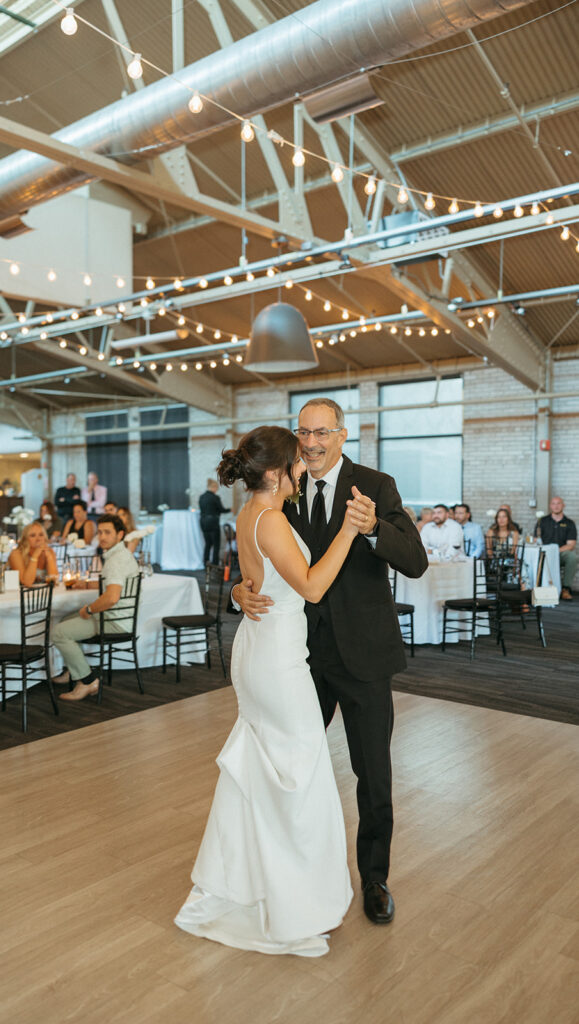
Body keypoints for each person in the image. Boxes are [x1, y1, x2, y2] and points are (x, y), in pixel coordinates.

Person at [229, 399, 427, 928]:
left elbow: (416, 561)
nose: (311, 443)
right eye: (303, 432)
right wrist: (235, 592)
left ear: (342, 435)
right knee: (289, 771)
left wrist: (371, 529)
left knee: (373, 775)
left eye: (322, 432)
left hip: (363, 656)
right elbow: (255, 561)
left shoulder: (375, 485)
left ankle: (375, 879)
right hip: (297, 662)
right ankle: (283, 873)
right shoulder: (281, 488)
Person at [176, 425, 360, 957]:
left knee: (267, 773)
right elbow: (312, 587)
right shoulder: (274, 519)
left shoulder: (248, 513)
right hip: (277, 661)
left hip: (258, 649)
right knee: (299, 778)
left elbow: (254, 579)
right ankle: (294, 907)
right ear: (278, 472)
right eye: (298, 462)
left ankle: (248, 889)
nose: (304, 469)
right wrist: (347, 531)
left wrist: (238, 590)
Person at [51, 514, 138, 701]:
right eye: (100, 532)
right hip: (119, 616)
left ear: (120, 534)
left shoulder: (115, 560)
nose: (102, 536)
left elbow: (112, 598)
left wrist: (89, 609)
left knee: (59, 632)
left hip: (115, 621)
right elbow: (114, 586)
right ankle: (74, 672)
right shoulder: (121, 554)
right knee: (66, 619)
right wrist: (88, 585)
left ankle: (87, 681)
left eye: (108, 532)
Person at [536, 496, 577, 600]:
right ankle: (537, 588)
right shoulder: (542, 521)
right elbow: (536, 540)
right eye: (553, 503)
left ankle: (565, 589)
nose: (556, 506)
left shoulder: (569, 523)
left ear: (563, 505)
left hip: (560, 553)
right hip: (544, 553)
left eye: (558, 503)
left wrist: (555, 551)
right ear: (550, 506)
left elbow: (571, 545)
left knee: (572, 557)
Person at [8, 521, 58, 586]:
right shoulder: (16, 554)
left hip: (43, 594)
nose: (38, 539)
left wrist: (49, 557)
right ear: (25, 539)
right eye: (33, 535)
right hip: (20, 594)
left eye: (41, 535)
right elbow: (27, 582)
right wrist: (35, 556)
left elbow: (53, 581)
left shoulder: (50, 551)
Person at [199, 478, 229, 565]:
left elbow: (203, 509)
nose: (217, 490)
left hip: (203, 522)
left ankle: (205, 562)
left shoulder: (202, 497)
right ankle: (215, 564)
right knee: (216, 545)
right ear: (214, 487)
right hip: (213, 522)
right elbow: (221, 509)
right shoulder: (215, 497)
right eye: (217, 488)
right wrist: (230, 510)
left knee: (208, 543)